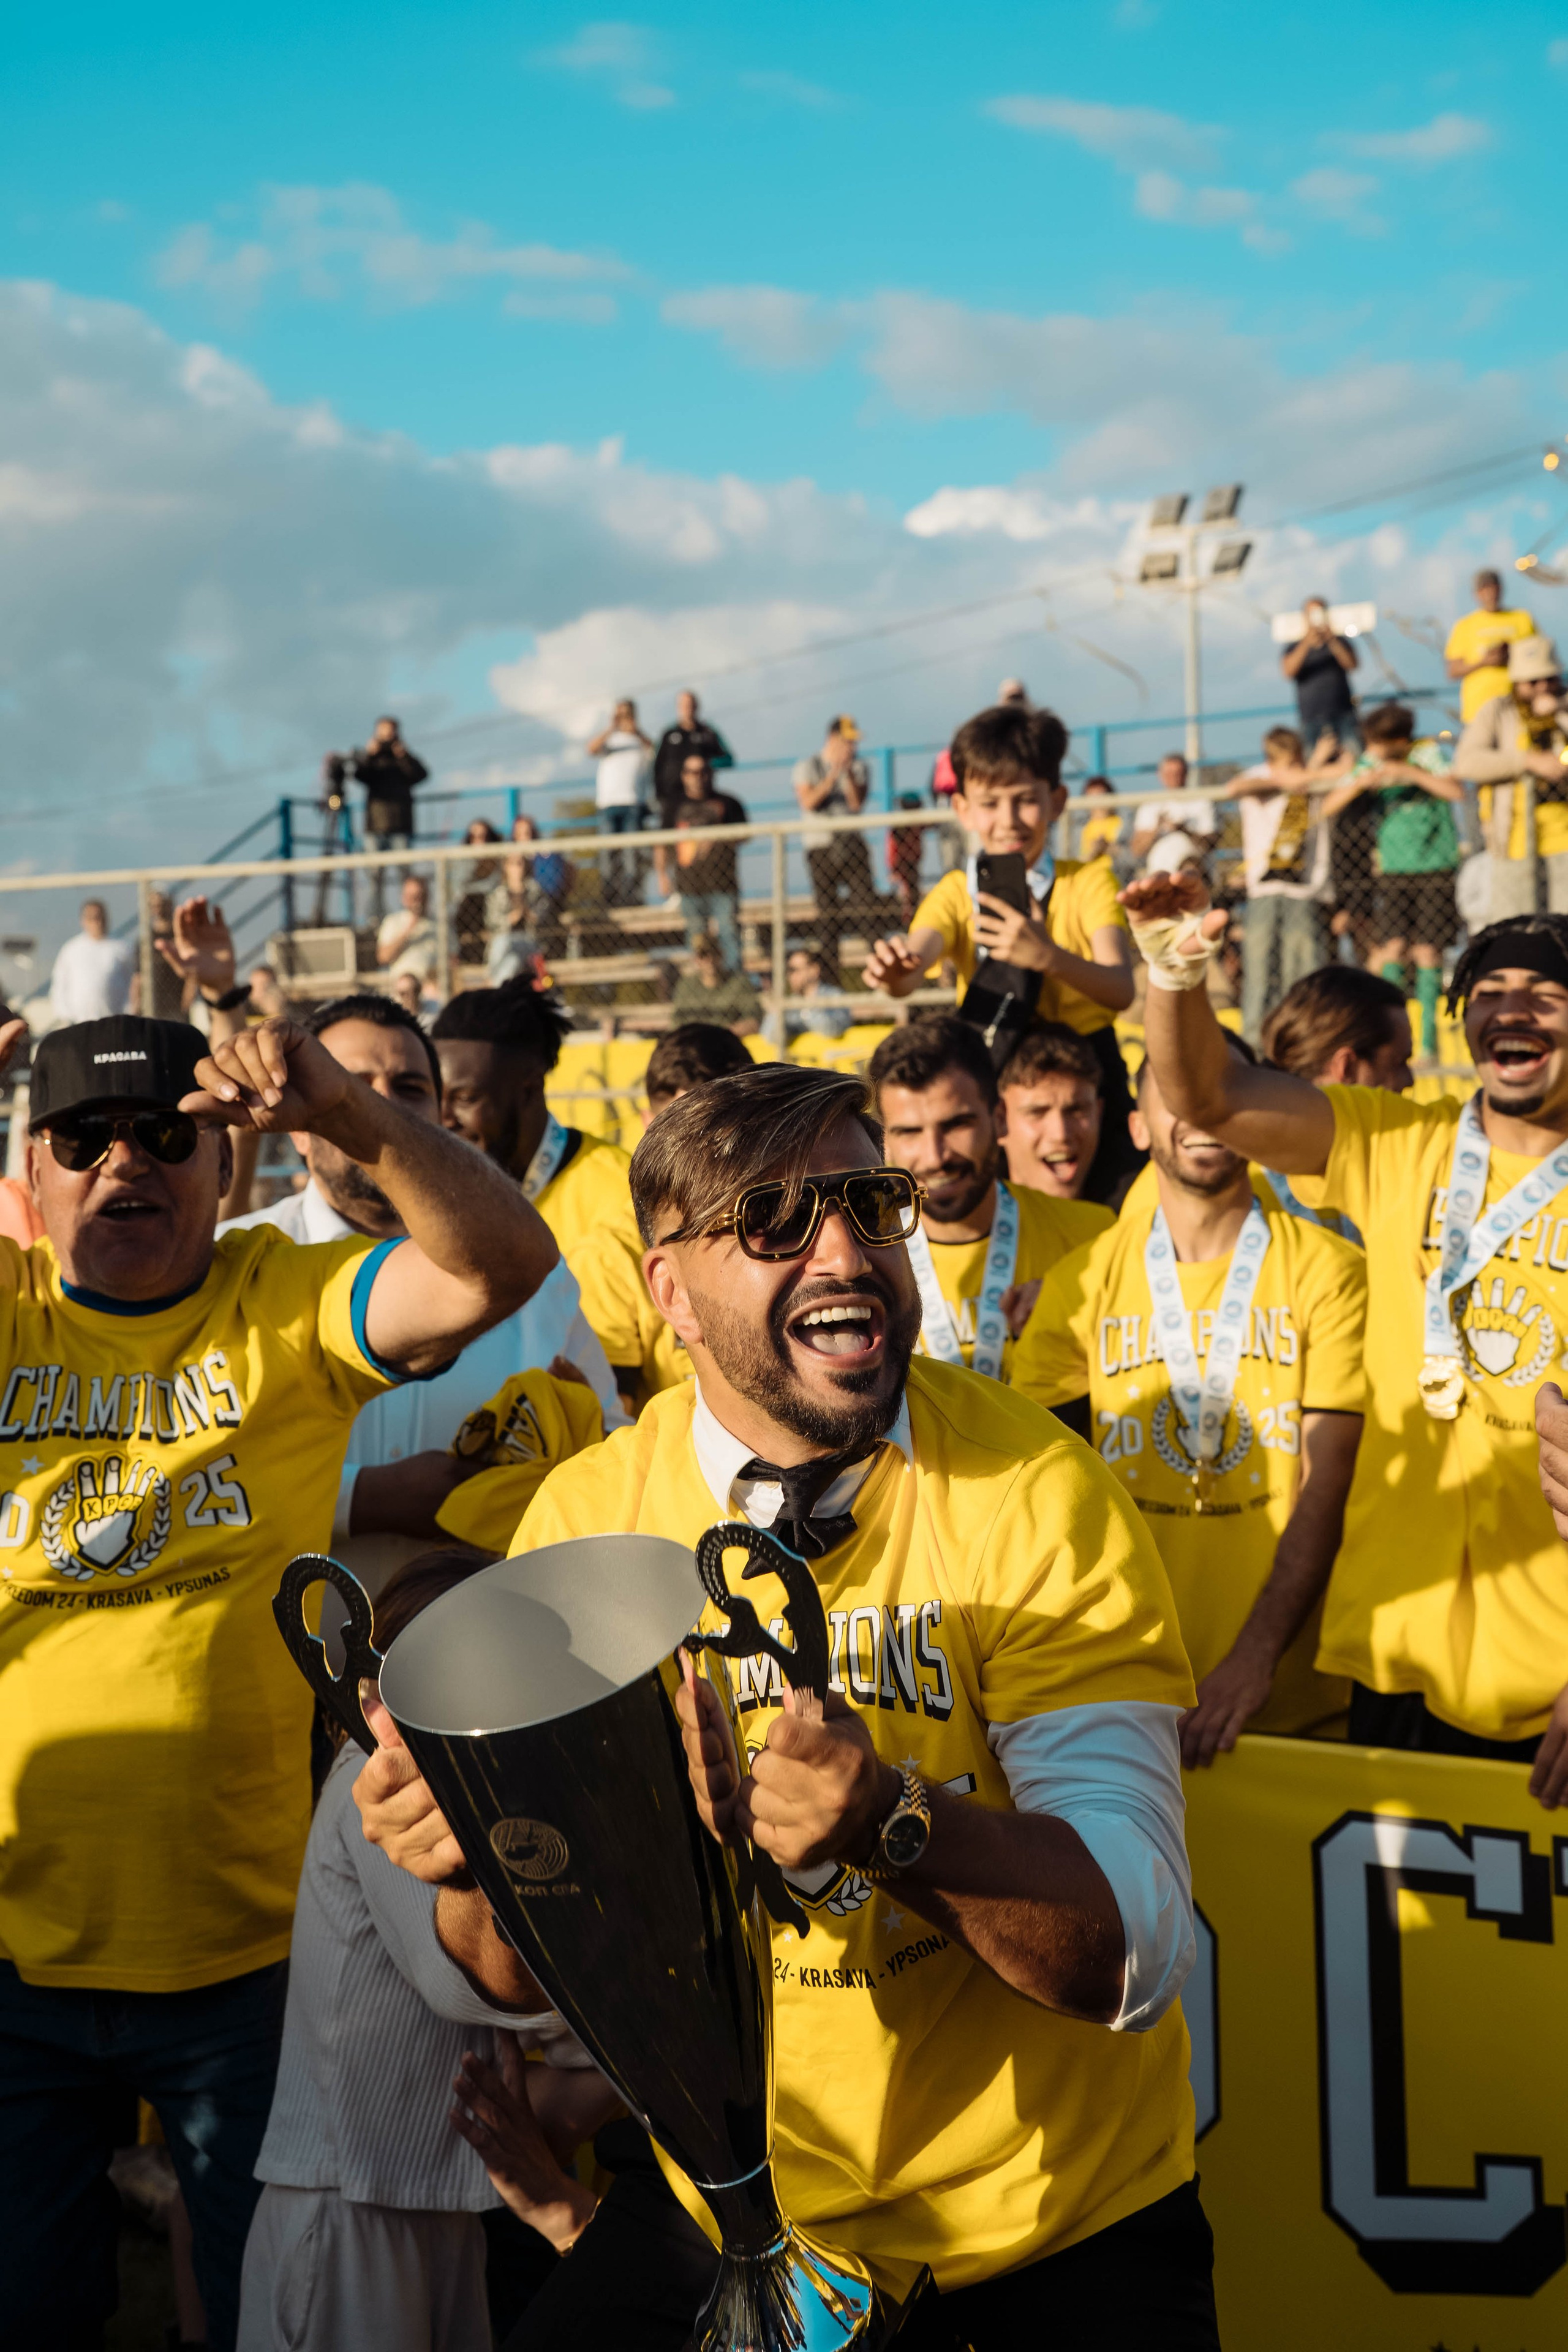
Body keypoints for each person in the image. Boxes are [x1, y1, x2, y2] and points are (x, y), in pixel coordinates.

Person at [353, 1061, 1216, 2350]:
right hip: (740, 2214)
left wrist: (892, 1822)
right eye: (771, 1222)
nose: (842, 1253)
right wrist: (485, 1854)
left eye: (869, 1203)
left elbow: (1134, 1956)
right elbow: (513, 1984)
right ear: (669, 1292)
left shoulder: (1040, 1488)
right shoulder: (588, 1518)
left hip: (1044, 2230)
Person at [0, 1003, 555, 2351]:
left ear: (227, 1168)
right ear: (30, 1179)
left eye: (165, 1134)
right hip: (13, 1964)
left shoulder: (282, 1301)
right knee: (34, 2314)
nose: (126, 1162)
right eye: (85, 1138)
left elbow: (500, 1265)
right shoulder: (11, 1314)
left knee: (259, 2314)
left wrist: (344, 1113)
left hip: (243, 1964)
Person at [1125, 873, 1568, 1793]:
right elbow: (1209, 1096)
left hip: (1553, 1685)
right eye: (1487, 996)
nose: (1510, 1013)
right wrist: (1173, 968)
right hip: (1392, 1662)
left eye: (1546, 997)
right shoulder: (1397, 1140)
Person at [237, 1546, 617, 2352]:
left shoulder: (476, 1798)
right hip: (346, 2205)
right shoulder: (372, 1787)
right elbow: (464, 1985)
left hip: (434, 2201)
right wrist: (602, 2030)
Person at [1012, 1044, 1366, 1762]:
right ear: (1137, 1125)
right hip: (1128, 1700)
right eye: (1178, 1093)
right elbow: (1037, 1492)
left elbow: (1327, 1480)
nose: (1199, 1113)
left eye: (1218, 1092)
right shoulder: (1080, 1283)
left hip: (1291, 1701)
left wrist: (1254, 1659)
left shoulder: (1332, 1274)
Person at [222, 989, 624, 1531]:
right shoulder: (226, 1266)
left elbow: (612, 1458)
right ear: (296, 1127)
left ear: (438, 1119)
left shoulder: (533, 1277)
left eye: (408, 1090)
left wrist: (581, 1443)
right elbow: (176, 1479)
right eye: (348, 1090)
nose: (379, 1107)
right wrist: (360, 1498)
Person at [863, 703, 1137, 1196]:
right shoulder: (953, 892)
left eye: (1025, 800)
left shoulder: (1090, 882)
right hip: (998, 1074)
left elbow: (1120, 987)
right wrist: (895, 971)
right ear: (963, 809)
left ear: (1057, 801)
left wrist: (1047, 956)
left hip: (1091, 1079)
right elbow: (915, 962)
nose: (1008, 820)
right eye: (990, 803)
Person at [869, 1015, 1111, 1380]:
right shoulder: (856, 1255)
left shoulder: (1095, 1239)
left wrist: (1069, 1302)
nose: (935, 1156)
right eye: (910, 1133)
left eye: (956, 1125)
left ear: (999, 1119)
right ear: (883, 1141)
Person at [569, 1023, 753, 1415]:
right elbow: (613, 1419)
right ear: (646, 1125)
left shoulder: (806, 1221)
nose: (695, 1155)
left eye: (712, 1132)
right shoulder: (611, 1255)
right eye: (675, 1133)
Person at [1321, 701, 1463, 1058]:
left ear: (1400, 740)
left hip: (1435, 867)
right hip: (1393, 871)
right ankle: (1391, 1035)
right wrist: (1362, 783)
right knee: (1393, 950)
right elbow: (1328, 805)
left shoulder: (1426, 754)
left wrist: (1411, 774)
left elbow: (1456, 791)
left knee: (1429, 952)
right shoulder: (1371, 759)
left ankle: (1429, 1041)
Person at [1232, 726, 1344, 1044]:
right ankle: (1254, 1049)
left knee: (1304, 975)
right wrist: (1304, 772)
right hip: (1264, 891)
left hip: (1305, 891)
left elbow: (1348, 770)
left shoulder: (1314, 777)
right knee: (1259, 975)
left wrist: (1309, 772)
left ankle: (1304, 1044)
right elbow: (1234, 787)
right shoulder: (1259, 776)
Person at [1452, 635, 1568, 921]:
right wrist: (1526, 761)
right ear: (1517, 682)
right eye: (1533, 681)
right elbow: (1466, 763)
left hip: (1564, 840)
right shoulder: (1498, 710)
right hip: (1513, 839)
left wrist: (1560, 716)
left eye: (1549, 679)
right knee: (1518, 928)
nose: (1543, 687)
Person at [793, 715, 876, 979]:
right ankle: (831, 980)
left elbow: (856, 804)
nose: (851, 747)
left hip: (851, 845)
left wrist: (847, 771)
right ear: (832, 739)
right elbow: (808, 802)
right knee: (827, 917)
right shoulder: (808, 766)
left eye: (853, 742)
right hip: (821, 848)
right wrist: (832, 776)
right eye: (846, 741)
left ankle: (881, 969)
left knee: (867, 911)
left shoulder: (860, 767)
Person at [998, 1023, 1106, 1202]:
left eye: (1076, 1110)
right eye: (1037, 1113)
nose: (1061, 1135)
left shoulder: (1141, 1219)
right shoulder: (961, 1225)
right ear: (999, 1121)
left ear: (1098, 1114)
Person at [670, 755, 747, 975]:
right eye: (692, 772)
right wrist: (663, 877)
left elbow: (745, 835)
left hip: (723, 883)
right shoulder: (674, 805)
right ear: (684, 776)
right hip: (689, 885)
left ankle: (734, 982)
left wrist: (716, 838)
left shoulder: (729, 802)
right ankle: (700, 984)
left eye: (703, 771)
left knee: (728, 933)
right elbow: (663, 843)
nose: (699, 777)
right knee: (696, 938)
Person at [351, 717, 430, 918]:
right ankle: (375, 920)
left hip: (401, 825)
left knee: (406, 877)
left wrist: (404, 755)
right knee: (374, 878)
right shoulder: (373, 758)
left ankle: (410, 916)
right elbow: (358, 775)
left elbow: (421, 775)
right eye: (383, 732)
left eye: (390, 732)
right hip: (375, 827)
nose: (387, 736)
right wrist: (369, 754)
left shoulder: (403, 757)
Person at [1446, 568, 1537, 726]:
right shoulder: (1465, 625)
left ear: (1500, 589)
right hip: (1478, 708)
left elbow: (1539, 657)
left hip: (1519, 704)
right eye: (1484, 589)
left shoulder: (1522, 618)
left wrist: (1511, 656)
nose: (1489, 593)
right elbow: (1453, 670)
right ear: (1476, 594)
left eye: (1493, 587)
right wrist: (1485, 661)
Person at [586, 698, 652, 908]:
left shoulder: (640, 741)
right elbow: (591, 749)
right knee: (607, 854)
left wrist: (637, 731)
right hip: (607, 804)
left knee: (631, 855)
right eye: (619, 714)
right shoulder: (610, 740)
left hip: (633, 802)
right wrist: (611, 727)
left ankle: (631, 897)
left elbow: (654, 751)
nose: (623, 719)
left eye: (627, 714)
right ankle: (609, 898)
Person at [1279, 597, 1360, 752]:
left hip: (1343, 712)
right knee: (1312, 758)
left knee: (1354, 753)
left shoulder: (1340, 641)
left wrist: (1332, 639)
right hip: (1311, 716)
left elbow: (1352, 664)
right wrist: (1306, 643)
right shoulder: (1294, 646)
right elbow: (1288, 672)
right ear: (1305, 617)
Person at [651, 690, 733, 835]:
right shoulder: (669, 734)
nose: (687, 709)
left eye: (691, 705)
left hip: (701, 799)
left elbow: (728, 759)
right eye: (684, 706)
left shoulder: (707, 733)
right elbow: (657, 766)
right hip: (671, 798)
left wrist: (705, 764)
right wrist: (658, 795)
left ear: (697, 707)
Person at [50, 898, 134, 1025]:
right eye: (91, 918)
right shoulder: (71, 949)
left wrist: (128, 1013)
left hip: (113, 1024)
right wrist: (65, 1016)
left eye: (100, 917)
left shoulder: (122, 948)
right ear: (83, 921)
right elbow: (60, 984)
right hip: (78, 1024)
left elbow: (132, 983)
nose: (96, 922)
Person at [1128, 753, 1216, 871]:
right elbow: (1137, 850)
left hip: (1195, 875)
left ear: (1187, 774)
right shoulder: (1150, 806)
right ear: (1160, 775)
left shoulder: (1202, 802)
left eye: (1178, 773)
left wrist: (1183, 829)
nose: (1174, 778)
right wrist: (1157, 828)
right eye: (1169, 774)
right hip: (1158, 875)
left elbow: (1210, 845)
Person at [669, 933, 761, 1033]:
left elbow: (753, 1021)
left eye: (714, 953)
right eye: (703, 955)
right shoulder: (686, 986)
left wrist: (720, 1035)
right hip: (695, 1043)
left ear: (722, 955)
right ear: (696, 959)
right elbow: (677, 1024)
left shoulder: (739, 983)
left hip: (728, 1042)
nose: (710, 960)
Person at [454, 820, 503, 968]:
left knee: (478, 899)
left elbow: (492, 885)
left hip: (492, 904)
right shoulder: (463, 861)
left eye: (483, 836)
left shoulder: (499, 860)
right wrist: (475, 860)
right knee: (469, 901)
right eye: (474, 837)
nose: (479, 841)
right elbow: (460, 887)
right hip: (471, 909)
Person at [377, 875, 439, 989]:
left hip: (432, 986)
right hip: (403, 986)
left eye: (420, 896)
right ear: (403, 898)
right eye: (412, 896)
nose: (416, 901)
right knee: (407, 985)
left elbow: (453, 957)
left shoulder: (438, 924)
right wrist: (409, 929)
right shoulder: (393, 922)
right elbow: (384, 957)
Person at [784, 942, 851, 1039]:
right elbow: (770, 1037)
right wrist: (775, 1014)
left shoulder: (835, 995)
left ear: (814, 970)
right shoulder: (789, 1002)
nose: (791, 975)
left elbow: (834, 1030)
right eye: (789, 970)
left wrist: (806, 1011)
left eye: (795, 969)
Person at [1072, 776, 1125, 870]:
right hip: (1088, 876)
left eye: (1101, 796)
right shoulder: (1080, 828)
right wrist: (1095, 851)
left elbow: (1130, 856)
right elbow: (1076, 858)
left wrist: (1107, 847)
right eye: (1093, 798)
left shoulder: (1123, 822)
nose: (1098, 802)